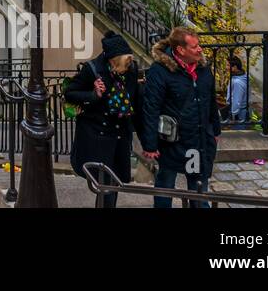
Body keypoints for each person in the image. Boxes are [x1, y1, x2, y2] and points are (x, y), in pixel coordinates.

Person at [141, 27, 221, 208]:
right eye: (194, 47)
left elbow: (211, 101)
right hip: (172, 142)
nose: (200, 49)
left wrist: (215, 130)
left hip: (198, 140)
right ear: (180, 50)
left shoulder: (203, 69)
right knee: (166, 184)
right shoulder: (160, 71)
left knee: (198, 187)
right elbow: (151, 108)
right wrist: (150, 145)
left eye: (199, 45)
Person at [66, 32, 142, 207]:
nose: (129, 65)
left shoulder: (131, 70)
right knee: (105, 183)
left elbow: (135, 102)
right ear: (113, 61)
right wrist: (94, 95)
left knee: (114, 183)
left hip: (120, 135)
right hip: (98, 135)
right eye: (125, 62)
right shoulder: (92, 70)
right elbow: (70, 93)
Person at [226, 54, 249, 126]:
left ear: (235, 67)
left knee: (238, 133)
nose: (226, 67)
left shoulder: (237, 82)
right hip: (243, 111)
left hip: (239, 114)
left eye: (227, 65)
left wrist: (232, 115)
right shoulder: (243, 76)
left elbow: (237, 101)